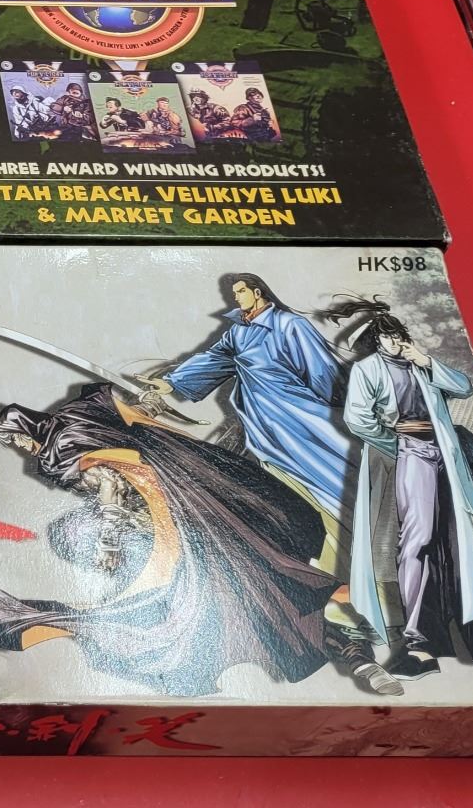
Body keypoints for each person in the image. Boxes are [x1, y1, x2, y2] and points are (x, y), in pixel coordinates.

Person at [0, 387, 342, 693]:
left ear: (27, 427)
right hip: (172, 493)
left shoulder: (62, 448)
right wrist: (150, 403)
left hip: (159, 510)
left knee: (202, 585)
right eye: (10, 443)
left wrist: (109, 541)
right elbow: (128, 415)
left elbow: (109, 483)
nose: (18, 447)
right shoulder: (76, 414)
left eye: (15, 439)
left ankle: (317, 633)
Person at [143, 274, 399, 694]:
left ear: (258, 291)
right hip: (264, 430)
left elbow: (324, 375)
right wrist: (169, 383)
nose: (236, 297)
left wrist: (347, 408)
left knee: (338, 501)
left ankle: (375, 600)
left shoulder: (291, 326)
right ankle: (329, 603)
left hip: (305, 423)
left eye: (241, 291)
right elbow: (213, 360)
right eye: (234, 292)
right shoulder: (239, 331)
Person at [332, 299, 473, 679]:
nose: (394, 341)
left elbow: (463, 388)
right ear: (376, 339)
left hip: (445, 456)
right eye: (387, 336)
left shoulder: (421, 365)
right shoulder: (367, 369)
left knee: (469, 544)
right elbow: (357, 418)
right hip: (409, 456)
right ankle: (417, 642)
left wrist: (425, 360)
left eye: (398, 335)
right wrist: (394, 440)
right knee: (418, 540)